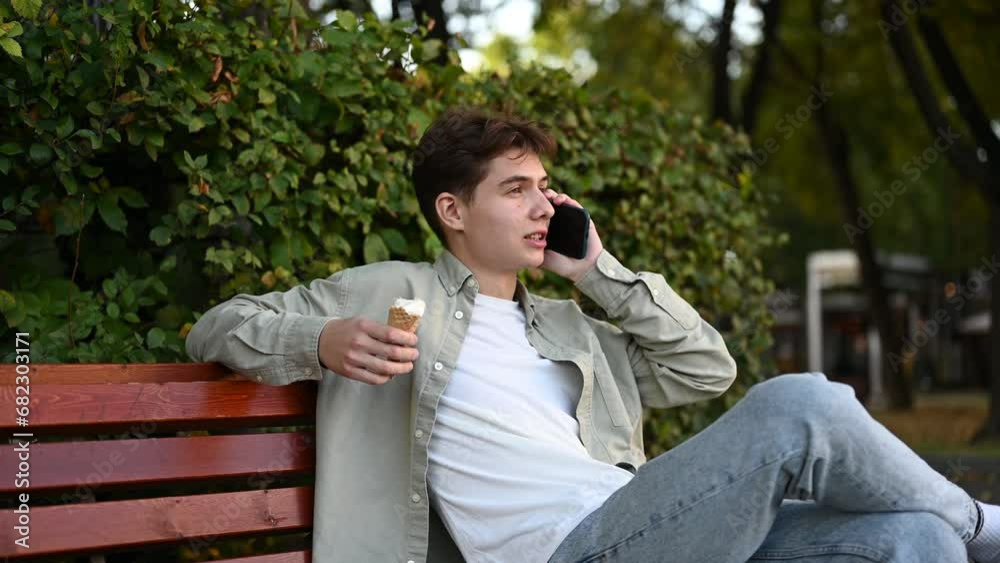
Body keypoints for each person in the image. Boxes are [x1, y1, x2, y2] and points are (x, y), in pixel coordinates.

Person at [186, 107, 997, 563]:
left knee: (914, 537)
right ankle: (983, 523)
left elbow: (706, 368)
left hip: (644, 526)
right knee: (800, 405)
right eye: (517, 189)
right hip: (568, 552)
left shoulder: (566, 326)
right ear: (453, 210)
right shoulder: (394, 294)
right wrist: (323, 341)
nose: (545, 205)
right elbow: (216, 328)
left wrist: (598, 271)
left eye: (546, 188)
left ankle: (958, 524)